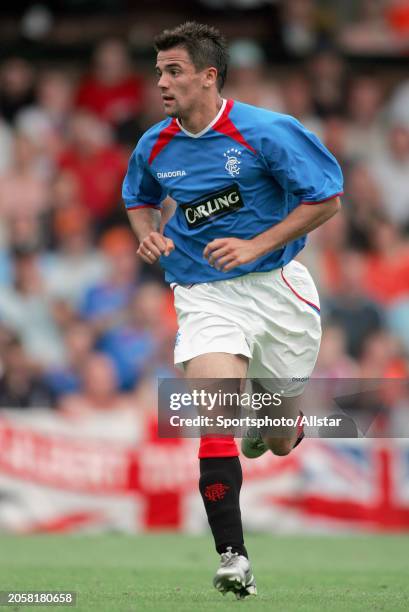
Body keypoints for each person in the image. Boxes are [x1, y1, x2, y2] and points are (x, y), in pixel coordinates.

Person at [122, 22, 343, 599]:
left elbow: (327, 199)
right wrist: (148, 234)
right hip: (204, 294)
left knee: (272, 437)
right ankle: (233, 557)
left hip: (277, 291)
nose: (162, 83)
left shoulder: (268, 131)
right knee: (214, 415)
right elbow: (138, 199)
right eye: (159, 72)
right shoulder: (154, 145)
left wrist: (257, 244)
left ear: (208, 76)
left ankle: (279, 427)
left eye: (174, 72)